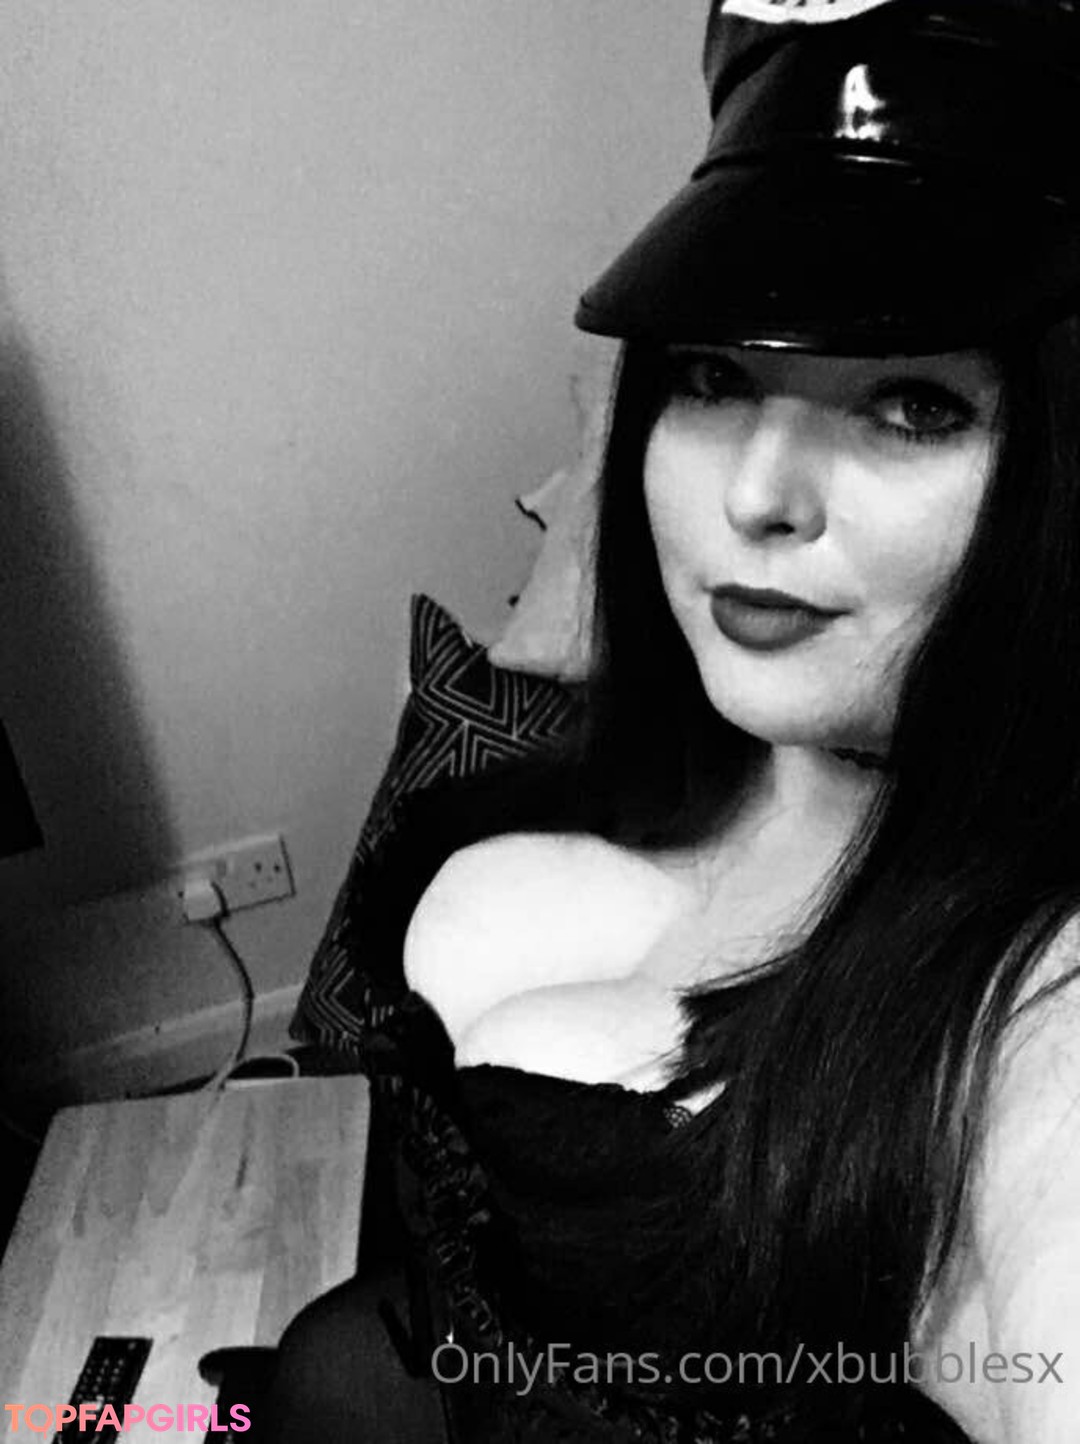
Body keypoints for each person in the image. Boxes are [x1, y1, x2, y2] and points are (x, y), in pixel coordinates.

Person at [267, 2, 1080, 1440]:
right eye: (714, 376)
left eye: (911, 406)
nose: (756, 495)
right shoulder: (583, 780)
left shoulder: (1033, 1006)